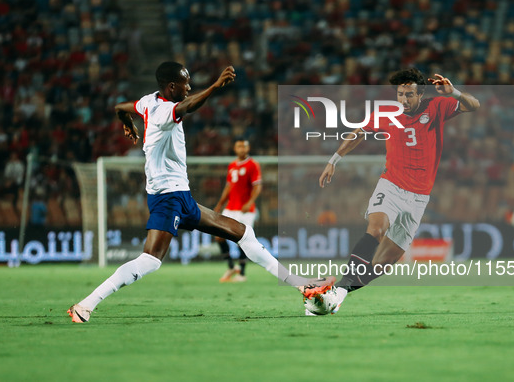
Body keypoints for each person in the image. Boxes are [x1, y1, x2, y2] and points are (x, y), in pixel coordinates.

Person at [68, 61, 333, 323]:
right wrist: (215, 86)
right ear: (172, 87)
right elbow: (188, 105)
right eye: (186, 82)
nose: (189, 86)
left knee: (243, 232)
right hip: (167, 198)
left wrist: (127, 120)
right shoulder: (162, 111)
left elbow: (120, 107)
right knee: (150, 261)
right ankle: (86, 305)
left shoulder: (148, 102)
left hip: (182, 197)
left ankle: (302, 285)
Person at [318, 68, 480, 314]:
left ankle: (338, 290)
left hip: (419, 198)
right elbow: (358, 133)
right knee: (376, 229)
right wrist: (334, 160)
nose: (404, 100)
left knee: (384, 263)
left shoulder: (436, 107)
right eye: (400, 94)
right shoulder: (385, 113)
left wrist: (454, 92)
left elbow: (474, 105)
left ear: (420, 94)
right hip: (391, 186)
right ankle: (338, 295)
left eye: (410, 95)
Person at [214, 138, 262, 283]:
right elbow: (228, 187)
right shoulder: (232, 165)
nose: (241, 149)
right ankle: (230, 267)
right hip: (230, 208)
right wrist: (220, 204)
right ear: (235, 148)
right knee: (218, 236)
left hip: (245, 210)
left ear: (248, 148)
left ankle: (242, 273)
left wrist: (250, 202)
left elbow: (257, 186)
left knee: (244, 240)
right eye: (239, 146)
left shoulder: (253, 165)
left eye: (244, 146)